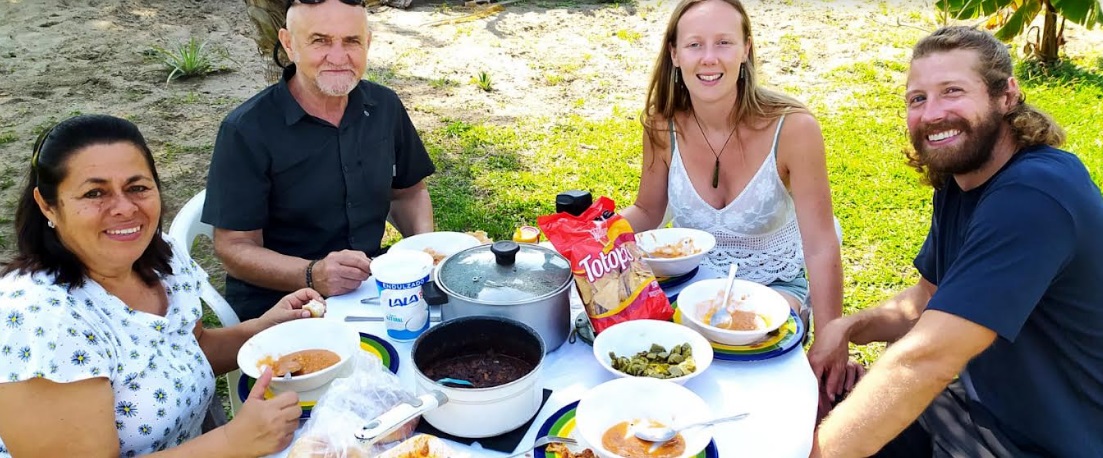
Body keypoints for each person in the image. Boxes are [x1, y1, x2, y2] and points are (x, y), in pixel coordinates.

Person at [811, 26, 1103, 457]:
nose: (932, 114)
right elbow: (928, 299)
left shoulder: (1035, 196)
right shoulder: (962, 179)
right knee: (802, 414)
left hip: (1043, 443)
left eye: (952, 91)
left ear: (1007, 95)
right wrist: (849, 327)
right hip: (975, 412)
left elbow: (928, 360)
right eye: (918, 98)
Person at [0, 114, 319, 457]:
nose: (124, 208)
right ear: (47, 204)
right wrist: (231, 442)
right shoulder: (40, 321)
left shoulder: (159, 258)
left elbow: (189, 352)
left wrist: (264, 329)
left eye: (137, 187)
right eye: (95, 193)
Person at [619, 0, 858, 403]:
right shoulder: (662, 125)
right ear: (675, 54)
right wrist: (592, 232)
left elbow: (819, 243)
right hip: (693, 280)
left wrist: (831, 338)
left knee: (744, 350)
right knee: (655, 359)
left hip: (777, 278)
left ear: (746, 49)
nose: (709, 58)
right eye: (694, 44)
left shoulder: (794, 128)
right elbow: (647, 211)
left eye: (724, 42)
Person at [203, 0, 436, 321]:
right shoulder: (246, 129)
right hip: (282, 302)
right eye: (320, 40)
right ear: (289, 44)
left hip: (369, 285)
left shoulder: (384, 105)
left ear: (367, 42)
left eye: (351, 41)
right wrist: (312, 273)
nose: (338, 57)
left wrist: (423, 256)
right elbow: (234, 247)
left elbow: (408, 192)